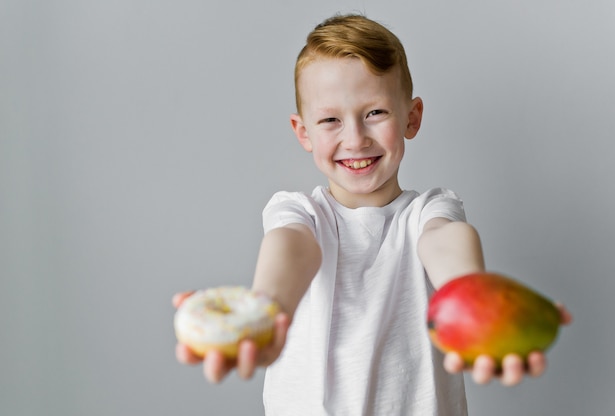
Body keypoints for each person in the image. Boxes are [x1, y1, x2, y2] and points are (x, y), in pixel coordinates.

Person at [173, 13, 571, 415]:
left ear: (411, 117)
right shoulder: (300, 213)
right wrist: (267, 309)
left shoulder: (428, 211)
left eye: (375, 113)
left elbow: (446, 240)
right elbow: (291, 247)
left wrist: (475, 301)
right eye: (330, 120)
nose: (355, 138)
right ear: (303, 132)